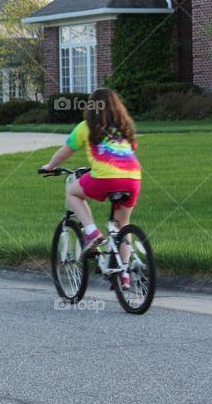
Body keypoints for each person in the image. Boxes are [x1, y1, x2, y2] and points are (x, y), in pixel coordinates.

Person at [40, 88, 141, 289]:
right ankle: (125, 273)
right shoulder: (124, 127)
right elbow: (129, 150)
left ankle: (91, 231)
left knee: (73, 191)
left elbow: (64, 153)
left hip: (105, 177)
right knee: (122, 225)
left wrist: (50, 167)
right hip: (133, 178)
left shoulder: (86, 127)